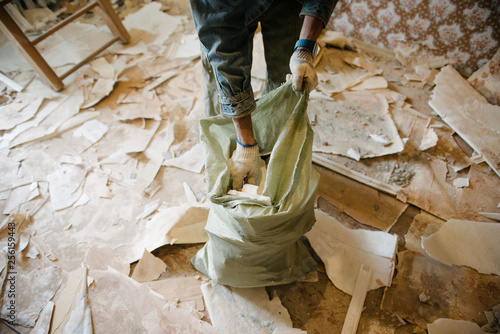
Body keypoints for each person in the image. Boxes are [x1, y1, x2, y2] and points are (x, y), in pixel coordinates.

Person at [189, 0, 337, 190]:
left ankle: (270, 161)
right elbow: (222, 48)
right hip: (222, 9)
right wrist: (246, 146)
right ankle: (225, 161)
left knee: (286, 82)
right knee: (222, 85)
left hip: (287, 4)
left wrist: (304, 49)